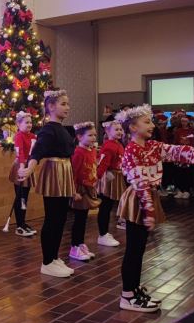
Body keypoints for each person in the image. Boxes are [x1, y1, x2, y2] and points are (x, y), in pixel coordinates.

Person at [116, 104, 194, 312]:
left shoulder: (153, 146)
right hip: (139, 198)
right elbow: (140, 183)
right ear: (133, 127)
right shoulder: (131, 150)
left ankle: (134, 288)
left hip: (149, 196)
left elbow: (180, 151)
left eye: (151, 121)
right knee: (133, 250)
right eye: (147, 122)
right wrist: (148, 212)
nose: (152, 125)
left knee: (139, 249)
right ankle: (127, 295)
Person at [18, 90, 76, 278]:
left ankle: (54, 256)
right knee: (53, 218)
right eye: (63, 104)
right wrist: (29, 168)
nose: (67, 107)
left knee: (61, 218)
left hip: (64, 172)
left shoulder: (64, 129)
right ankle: (47, 261)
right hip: (54, 173)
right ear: (51, 106)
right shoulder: (48, 129)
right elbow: (38, 151)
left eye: (67, 104)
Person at [69, 122, 100, 261]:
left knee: (84, 219)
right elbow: (74, 173)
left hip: (89, 188)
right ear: (79, 137)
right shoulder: (78, 152)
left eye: (95, 135)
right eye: (90, 135)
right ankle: (74, 247)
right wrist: (74, 191)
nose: (94, 138)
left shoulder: (92, 150)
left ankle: (80, 244)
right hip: (80, 190)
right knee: (79, 219)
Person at [95, 121, 125, 247]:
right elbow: (103, 164)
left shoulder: (118, 144)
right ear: (107, 132)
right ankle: (103, 234)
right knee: (105, 207)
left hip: (115, 176)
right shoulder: (109, 146)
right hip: (108, 179)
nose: (119, 131)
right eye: (116, 129)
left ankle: (105, 233)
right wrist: (97, 178)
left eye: (120, 129)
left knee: (108, 206)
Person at [9, 111, 37, 237]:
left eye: (30, 122)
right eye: (26, 122)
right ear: (18, 124)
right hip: (20, 167)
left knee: (24, 198)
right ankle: (19, 226)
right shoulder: (19, 136)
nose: (29, 124)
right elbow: (19, 153)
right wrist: (21, 168)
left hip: (28, 167)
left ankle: (23, 223)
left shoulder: (33, 136)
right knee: (20, 197)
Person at [172, 114, 194, 199]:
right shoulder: (178, 131)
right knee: (179, 172)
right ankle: (180, 190)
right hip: (179, 154)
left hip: (188, 154)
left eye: (185, 121)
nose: (183, 123)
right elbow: (175, 142)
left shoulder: (192, 131)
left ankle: (187, 190)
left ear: (188, 122)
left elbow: (193, 143)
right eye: (182, 121)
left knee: (187, 172)